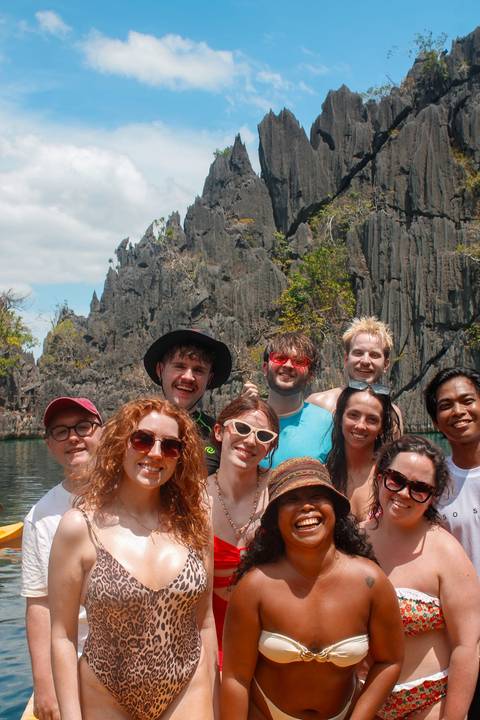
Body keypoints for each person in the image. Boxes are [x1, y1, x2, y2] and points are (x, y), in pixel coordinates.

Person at [49, 397, 217, 720]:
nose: (155, 453)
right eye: (142, 439)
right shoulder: (79, 527)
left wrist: (216, 705)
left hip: (187, 686)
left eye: (170, 446)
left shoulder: (196, 522)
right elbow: (62, 636)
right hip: (104, 693)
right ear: (118, 444)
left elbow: (205, 623)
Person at [221, 457, 404, 720]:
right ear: (274, 519)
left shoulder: (370, 581)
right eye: (291, 500)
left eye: (317, 496)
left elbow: (390, 661)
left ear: (334, 508)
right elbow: (236, 679)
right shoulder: (255, 587)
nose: (306, 507)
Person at [365, 435, 480, 720]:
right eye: (396, 479)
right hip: (363, 701)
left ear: (432, 496)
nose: (404, 493)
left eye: (419, 488)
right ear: (381, 477)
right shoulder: (353, 542)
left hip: (430, 703)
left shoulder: (446, 552)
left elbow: (468, 645)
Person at [21, 396, 103, 720]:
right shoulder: (40, 516)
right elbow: (38, 604)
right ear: (49, 444)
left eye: (83, 426)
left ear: (103, 431)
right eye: (60, 431)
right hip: (72, 664)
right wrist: (44, 686)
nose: (73, 437)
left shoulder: (135, 495)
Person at [425, 366, 480, 719]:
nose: (458, 412)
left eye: (468, 401)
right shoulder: (433, 484)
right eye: (445, 406)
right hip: (461, 639)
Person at [207, 395, 279, 665]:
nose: (250, 441)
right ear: (219, 431)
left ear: (270, 446)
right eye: (242, 428)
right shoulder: (193, 498)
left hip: (269, 642)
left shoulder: (281, 492)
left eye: (262, 435)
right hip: (207, 641)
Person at [144, 327, 232, 474]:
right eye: (179, 366)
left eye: (198, 370)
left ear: (209, 379)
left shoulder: (218, 436)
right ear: (160, 370)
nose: (188, 377)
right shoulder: (135, 425)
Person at [243, 332, 333, 468]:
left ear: (310, 376)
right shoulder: (243, 421)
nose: (289, 365)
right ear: (265, 368)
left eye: (299, 362)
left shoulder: (327, 423)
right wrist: (241, 411)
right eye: (280, 358)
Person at [306, 316, 403, 432]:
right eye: (358, 353)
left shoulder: (392, 414)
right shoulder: (318, 404)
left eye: (374, 355)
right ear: (346, 359)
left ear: (386, 364)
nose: (365, 361)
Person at [326, 382, 398, 519]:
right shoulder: (324, 476)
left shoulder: (392, 478)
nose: (360, 425)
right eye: (353, 415)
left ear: (381, 427)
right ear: (340, 418)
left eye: (372, 419)